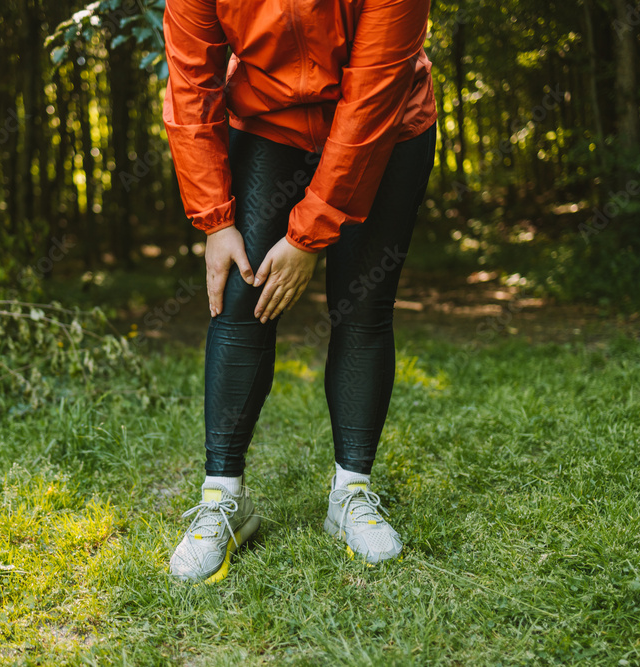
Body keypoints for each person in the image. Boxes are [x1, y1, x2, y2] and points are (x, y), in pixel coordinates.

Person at [162, 0, 437, 583]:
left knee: (362, 307)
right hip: (266, 126)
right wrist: (215, 219)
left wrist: (310, 234)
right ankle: (223, 502)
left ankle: (351, 495)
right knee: (241, 302)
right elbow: (192, 82)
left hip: (384, 123)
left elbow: (372, 93)